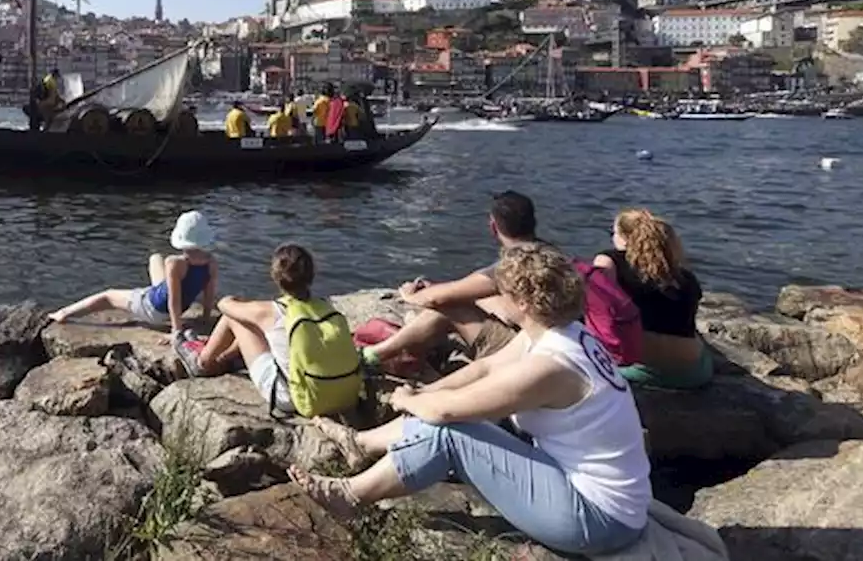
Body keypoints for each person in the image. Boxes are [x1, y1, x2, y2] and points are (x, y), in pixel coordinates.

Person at [290, 245, 651, 557]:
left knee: (450, 432)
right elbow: (484, 370)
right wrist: (426, 392)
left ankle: (350, 496)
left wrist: (408, 398)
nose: (496, 299)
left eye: (503, 292)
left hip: (597, 521)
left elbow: (444, 413)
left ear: (523, 303)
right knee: (457, 414)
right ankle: (361, 444)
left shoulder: (551, 367)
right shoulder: (564, 332)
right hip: (599, 497)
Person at [361, 192, 546, 369]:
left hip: (527, 351)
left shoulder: (513, 265)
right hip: (547, 341)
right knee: (467, 300)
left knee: (449, 307)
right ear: (533, 222)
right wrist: (442, 288)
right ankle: (410, 357)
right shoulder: (547, 254)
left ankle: (373, 356)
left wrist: (410, 296)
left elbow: (436, 299)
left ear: (493, 226)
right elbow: (477, 288)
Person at [174, 244, 323, 415]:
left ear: (275, 276)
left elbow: (224, 306)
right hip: (333, 393)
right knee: (258, 325)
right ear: (312, 275)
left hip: (291, 397)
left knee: (234, 317)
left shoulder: (271, 311)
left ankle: (202, 363)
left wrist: (235, 301)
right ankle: (225, 358)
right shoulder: (326, 308)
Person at [48, 211, 218, 339]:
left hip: (154, 308)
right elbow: (209, 295)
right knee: (155, 258)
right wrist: (205, 318)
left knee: (108, 295)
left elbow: (173, 299)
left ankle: (63, 313)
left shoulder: (175, 263)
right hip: (180, 306)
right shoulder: (211, 262)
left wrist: (176, 331)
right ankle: (152, 282)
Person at [594, 209, 710, 389]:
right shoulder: (685, 277)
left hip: (640, 368)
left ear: (624, 238)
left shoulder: (609, 261)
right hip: (694, 373)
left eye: (613, 233)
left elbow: (599, 309)